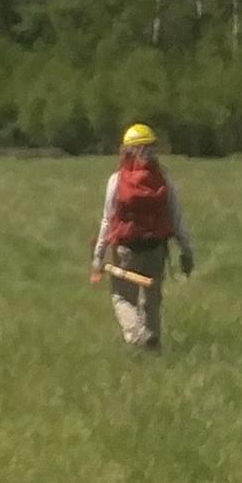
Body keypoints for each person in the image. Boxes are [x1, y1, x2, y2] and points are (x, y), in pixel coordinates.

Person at [86, 122, 196, 351]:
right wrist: (186, 251)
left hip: (126, 250)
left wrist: (98, 256)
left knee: (122, 298)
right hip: (156, 249)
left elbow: (107, 220)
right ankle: (153, 348)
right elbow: (177, 219)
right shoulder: (164, 179)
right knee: (152, 302)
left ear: (126, 150)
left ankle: (138, 335)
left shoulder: (117, 181)